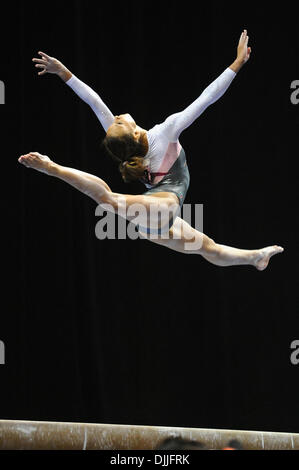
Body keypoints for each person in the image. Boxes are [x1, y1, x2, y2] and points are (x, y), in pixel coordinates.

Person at [19, 30, 284, 270]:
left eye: (116, 120)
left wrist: (64, 72)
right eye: (119, 121)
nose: (116, 117)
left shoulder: (123, 141)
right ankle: (51, 167)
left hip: (155, 223)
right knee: (108, 201)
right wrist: (238, 63)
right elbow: (207, 97)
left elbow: (93, 101)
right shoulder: (165, 132)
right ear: (134, 132)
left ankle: (255, 257)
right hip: (164, 207)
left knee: (208, 248)